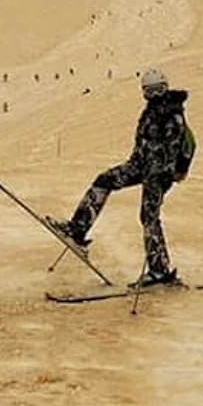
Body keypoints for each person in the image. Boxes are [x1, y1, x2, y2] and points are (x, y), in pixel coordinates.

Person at [49, 68, 188, 287]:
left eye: (157, 90)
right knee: (104, 180)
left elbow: (168, 151)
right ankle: (77, 229)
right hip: (140, 166)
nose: (153, 95)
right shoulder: (151, 111)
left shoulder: (172, 115)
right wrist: (136, 163)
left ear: (165, 88)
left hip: (159, 174)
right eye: (149, 91)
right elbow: (144, 145)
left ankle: (160, 271)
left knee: (148, 217)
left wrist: (159, 175)